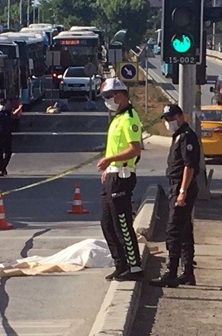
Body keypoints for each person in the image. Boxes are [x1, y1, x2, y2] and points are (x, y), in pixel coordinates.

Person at [97, 78, 144, 282]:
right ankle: (120, 264)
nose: (107, 100)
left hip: (123, 175)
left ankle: (134, 267)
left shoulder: (130, 118)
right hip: (113, 174)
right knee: (107, 222)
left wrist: (110, 159)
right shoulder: (117, 117)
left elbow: (135, 149)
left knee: (122, 223)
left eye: (109, 96)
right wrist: (109, 166)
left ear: (120, 95)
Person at [150, 104, 200, 288]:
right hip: (176, 187)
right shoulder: (178, 136)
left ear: (180, 116)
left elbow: (189, 166)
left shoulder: (187, 136)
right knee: (185, 230)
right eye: (166, 119)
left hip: (181, 188)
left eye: (171, 118)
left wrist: (182, 192)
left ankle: (171, 272)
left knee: (173, 230)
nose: (168, 122)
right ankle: (187, 272)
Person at [0, 98, 18, 177]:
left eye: (3, 104)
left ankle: (3, 166)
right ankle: (2, 169)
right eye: (1, 104)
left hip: (7, 134)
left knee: (8, 152)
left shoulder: (8, 113)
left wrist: (20, 107)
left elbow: (15, 114)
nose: (2, 106)